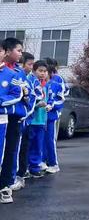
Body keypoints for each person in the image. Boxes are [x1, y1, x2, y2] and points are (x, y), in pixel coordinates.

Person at [0, 37, 28, 201]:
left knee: (8, 152)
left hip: (11, 118)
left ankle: (5, 184)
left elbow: (23, 97)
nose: (20, 54)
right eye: (18, 50)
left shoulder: (15, 74)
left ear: (4, 52)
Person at [16, 52, 41, 187]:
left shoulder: (31, 79)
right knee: (16, 147)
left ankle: (21, 172)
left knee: (25, 146)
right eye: (29, 64)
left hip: (28, 119)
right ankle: (15, 174)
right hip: (19, 118)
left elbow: (36, 94)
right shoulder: (18, 76)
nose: (31, 67)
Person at [28, 61, 52, 180]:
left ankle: (34, 167)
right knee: (28, 145)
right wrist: (37, 105)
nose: (43, 74)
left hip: (42, 120)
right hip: (32, 121)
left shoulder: (46, 86)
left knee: (38, 145)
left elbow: (50, 100)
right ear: (34, 71)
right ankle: (27, 167)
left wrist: (49, 105)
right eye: (40, 71)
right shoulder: (31, 83)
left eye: (45, 71)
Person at [43, 64, 65, 174]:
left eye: (45, 71)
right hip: (41, 117)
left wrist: (52, 105)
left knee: (50, 140)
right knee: (41, 141)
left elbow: (60, 99)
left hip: (51, 116)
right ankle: (43, 162)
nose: (43, 74)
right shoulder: (42, 84)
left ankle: (53, 163)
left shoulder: (55, 83)